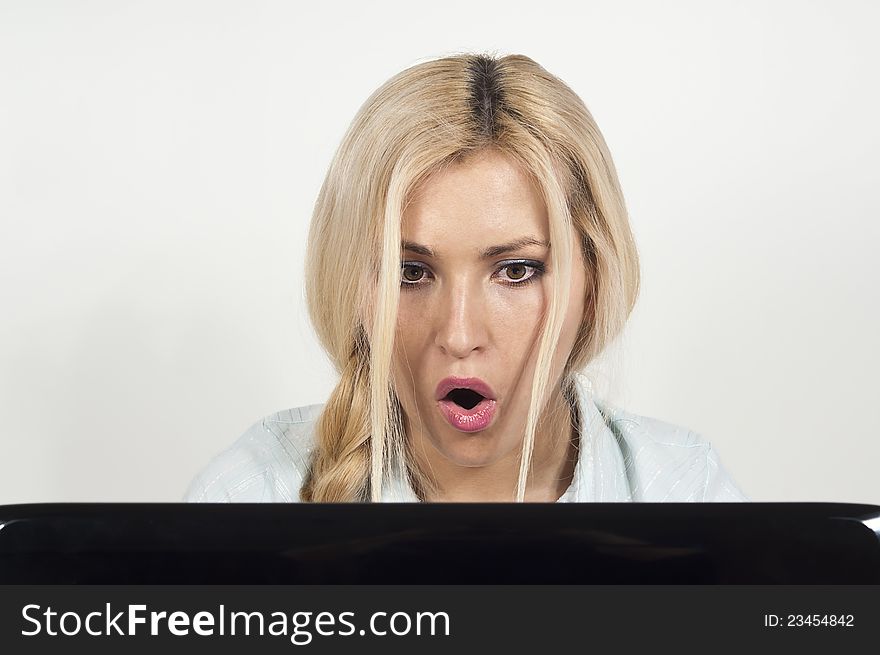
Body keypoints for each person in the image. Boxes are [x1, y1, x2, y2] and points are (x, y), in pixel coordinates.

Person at [184, 52, 747, 504]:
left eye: (516, 271)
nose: (458, 334)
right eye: (411, 272)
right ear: (351, 283)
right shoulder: (254, 496)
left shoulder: (685, 493)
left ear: (594, 280)